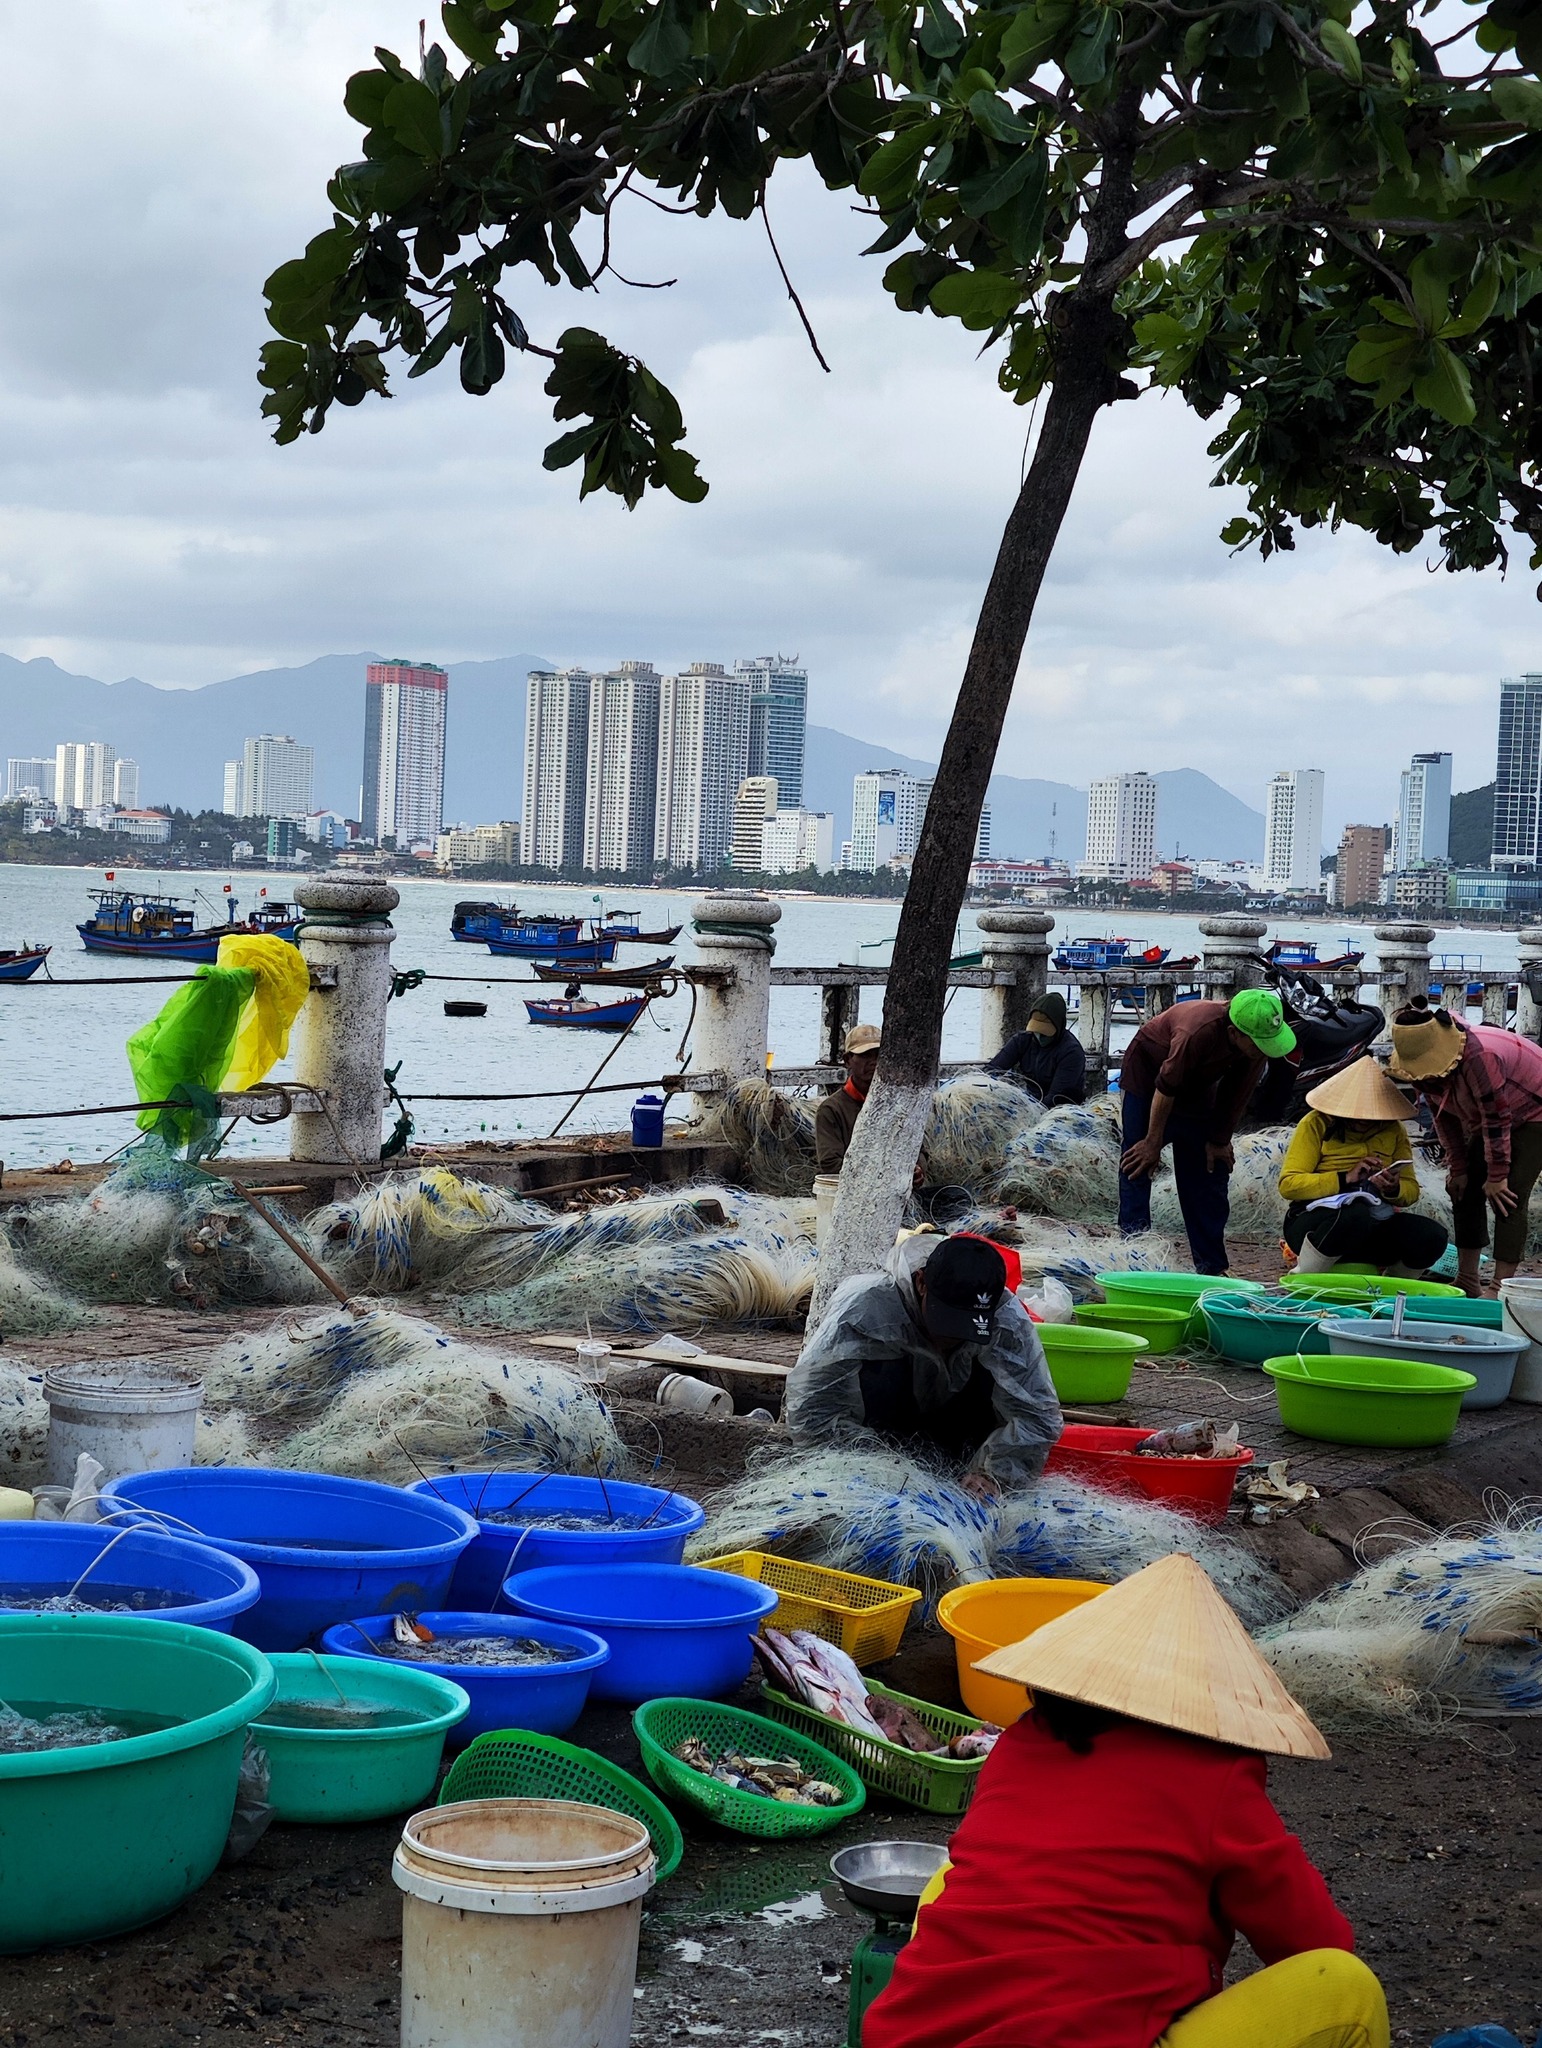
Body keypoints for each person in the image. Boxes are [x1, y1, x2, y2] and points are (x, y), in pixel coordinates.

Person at [865, 1552, 1387, 2048]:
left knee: (949, 1879)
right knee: (1346, 1986)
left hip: (911, 2034)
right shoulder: (1214, 1775)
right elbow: (1316, 1943)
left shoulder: (1021, 1743)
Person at [785, 1231, 1061, 1493]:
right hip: (882, 1432)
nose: (950, 1339)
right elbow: (813, 1409)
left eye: (967, 1328)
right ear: (921, 1283)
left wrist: (993, 1475)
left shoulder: (1006, 1318)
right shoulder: (867, 1309)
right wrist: (871, 1469)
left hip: (961, 1435)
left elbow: (1036, 1415)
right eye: (948, 1322)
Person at [1118, 988, 1296, 1275]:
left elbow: (1237, 1092)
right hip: (1149, 1077)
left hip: (1198, 1085)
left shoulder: (1254, 1047)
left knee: (1210, 1168)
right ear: (1234, 1033)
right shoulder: (1196, 1031)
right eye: (1260, 1043)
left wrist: (1219, 1139)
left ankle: (1212, 1264)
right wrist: (1152, 1141)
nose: (1266, 1049)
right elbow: (1166, 1087)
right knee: (1138, 1162)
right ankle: (1135, 1253)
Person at [1389, 995, 1542, 1295]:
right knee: (1463, 1187)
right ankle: (1468, 1277)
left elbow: (1495, 1119)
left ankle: (1500, 1286)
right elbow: (1442, 1117)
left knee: (1508, 1194)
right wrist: (1457, 1167)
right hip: (1491, 1113)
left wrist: (1497, 1176)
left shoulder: (1477, 1056)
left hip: (1535, 1107)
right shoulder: (1420, 1067)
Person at [1278, 1055, 1449, 1277]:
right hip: (1317, 1225)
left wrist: (1392, 1188)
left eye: (1373, 1116)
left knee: (1432, 1235)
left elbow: (1411, 1191)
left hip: (1374, 1225)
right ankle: (1304, 1276)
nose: (1365, 1121)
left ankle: (1393, 1290)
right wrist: (1344, 1178)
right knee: (1354, 1216)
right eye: (1357, 1115)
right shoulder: (1316, 1123)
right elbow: (1289, 1185)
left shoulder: (1394, 1130)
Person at [985, 990, 1087, 1104]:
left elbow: (1056, 1096)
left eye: (1045, 1033)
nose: (1039, 1036)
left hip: (1062, 1107)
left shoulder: (1071, 1052)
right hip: (1031, 1099)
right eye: (1036, 1031)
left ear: (1058, 1026)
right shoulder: (1022, 1040)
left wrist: (1031, 1110)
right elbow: (993, 1069)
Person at [815, 1021, 881, 1173]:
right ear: (848, 1061)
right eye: (865, 1055)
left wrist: (917, 1170)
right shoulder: (831, 1110)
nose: (873, 1062)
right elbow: (830, 1163)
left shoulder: (895, 1104)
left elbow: (918, 1149)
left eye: (879, 1055)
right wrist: (879, 1173)